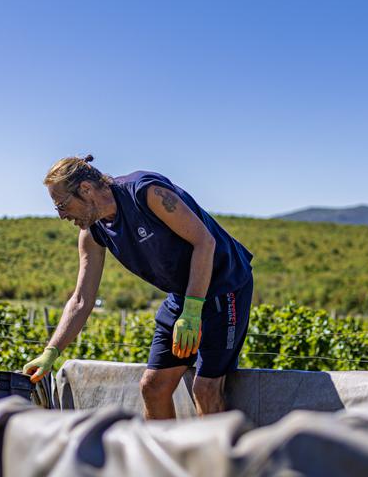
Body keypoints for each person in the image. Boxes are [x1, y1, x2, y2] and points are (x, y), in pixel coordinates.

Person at [23, 155, 254, 419]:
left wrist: (192, 311)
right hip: (182, 294)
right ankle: (160, 447)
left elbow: (205, 242)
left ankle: (216, 447)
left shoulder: (146, 193)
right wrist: (51, 352)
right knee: (152, 387)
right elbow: (81, 300)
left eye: (62, 205)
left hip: (225, 285)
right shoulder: (92, 233)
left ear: (85, 189)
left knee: (205, 389)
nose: (62, 216)